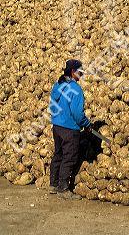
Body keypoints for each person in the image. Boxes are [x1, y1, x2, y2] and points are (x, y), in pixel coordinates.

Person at [49, 59, 91, 199]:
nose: (81, 75)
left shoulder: (58, 85)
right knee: (69, 157)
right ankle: (63, 189)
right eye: (80, 73)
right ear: (73, 72)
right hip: (69, 128)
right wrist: (86, 124)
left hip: (57, 126)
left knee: (58, 154)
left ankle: (53, 184)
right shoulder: (76, 89)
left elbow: (53, 104)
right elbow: (77, 113)